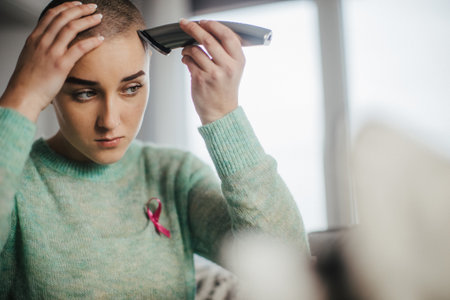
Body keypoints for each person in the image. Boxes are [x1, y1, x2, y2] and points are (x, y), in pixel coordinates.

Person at [0, 0, 309, 298]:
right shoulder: (16, 184)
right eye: (84, 93)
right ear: (50, 89)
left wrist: (223, 115)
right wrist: (20, 97)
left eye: (131, 88)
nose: (110, 121)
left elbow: (290, 269)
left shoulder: (175, 176)